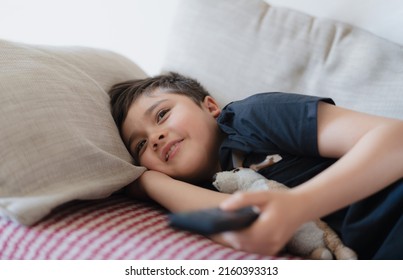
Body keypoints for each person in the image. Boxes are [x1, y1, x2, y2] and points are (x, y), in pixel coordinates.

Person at [108, 72, 403, 259]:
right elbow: (239, 228)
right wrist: (150, 182)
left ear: (210, 107)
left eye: (162, 115)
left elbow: (396, 139)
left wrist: (300, 204)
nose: (155, 138)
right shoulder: (200, 188)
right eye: (141, 145)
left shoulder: (250, 117)